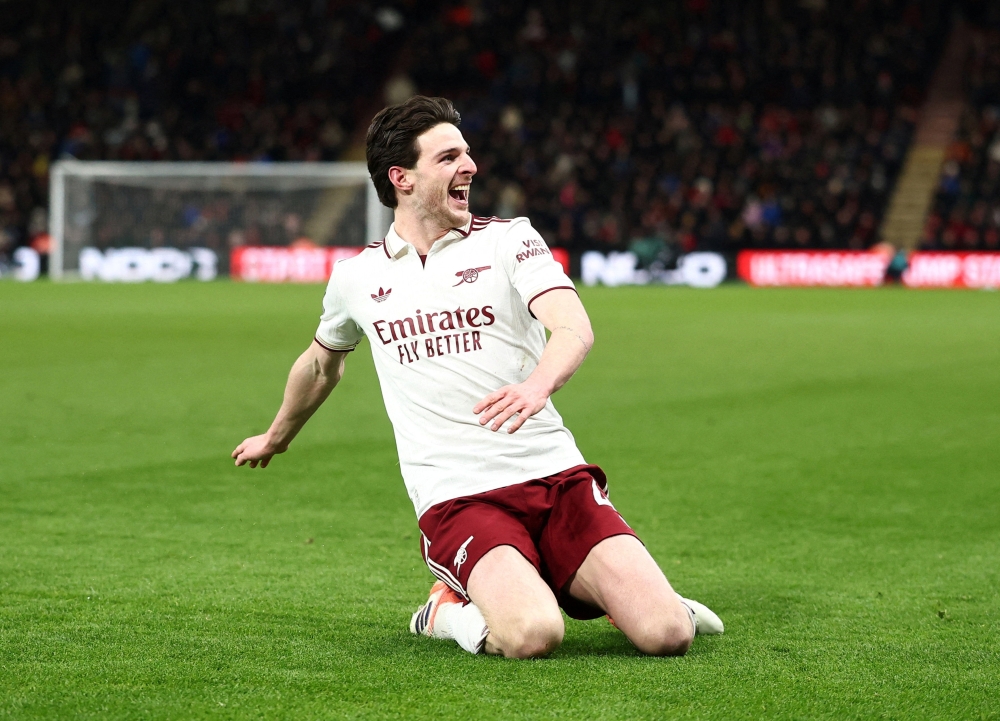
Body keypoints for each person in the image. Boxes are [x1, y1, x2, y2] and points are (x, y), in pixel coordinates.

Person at [232, 95, 723, 658]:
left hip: (554, 474)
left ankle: (633, 597)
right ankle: (444, 612)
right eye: (448, 157)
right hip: (459, 496)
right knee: (533, 635)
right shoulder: (356, 277)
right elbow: (321, 363)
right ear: (403, 178)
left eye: (466, 153)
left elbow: (573, 326)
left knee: (668, 634)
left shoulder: (510, 240)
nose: (470, 166)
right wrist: (278, 435)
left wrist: (537, 386)